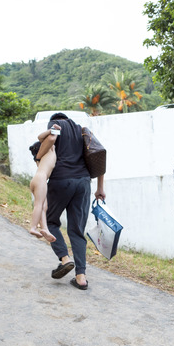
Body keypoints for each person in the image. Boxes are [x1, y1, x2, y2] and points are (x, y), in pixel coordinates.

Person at [43, 113, 105, 290]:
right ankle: (81, 277)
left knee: (49, 221)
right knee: (77, 230)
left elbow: (43, 151)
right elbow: (99, 155)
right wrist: (100, 188)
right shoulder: (81, 131)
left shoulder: (55, 125)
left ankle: (64, 259)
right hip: (83, 182)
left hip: (61, 179)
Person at [27, 126, 59, 243]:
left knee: (44, 207)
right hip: (40, 180)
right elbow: (44, 138)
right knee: (39, 205)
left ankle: (44, 228)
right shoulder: (49, 149)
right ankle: (33, 227)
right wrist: (52, 130)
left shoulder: (38, 158)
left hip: (38, 180)